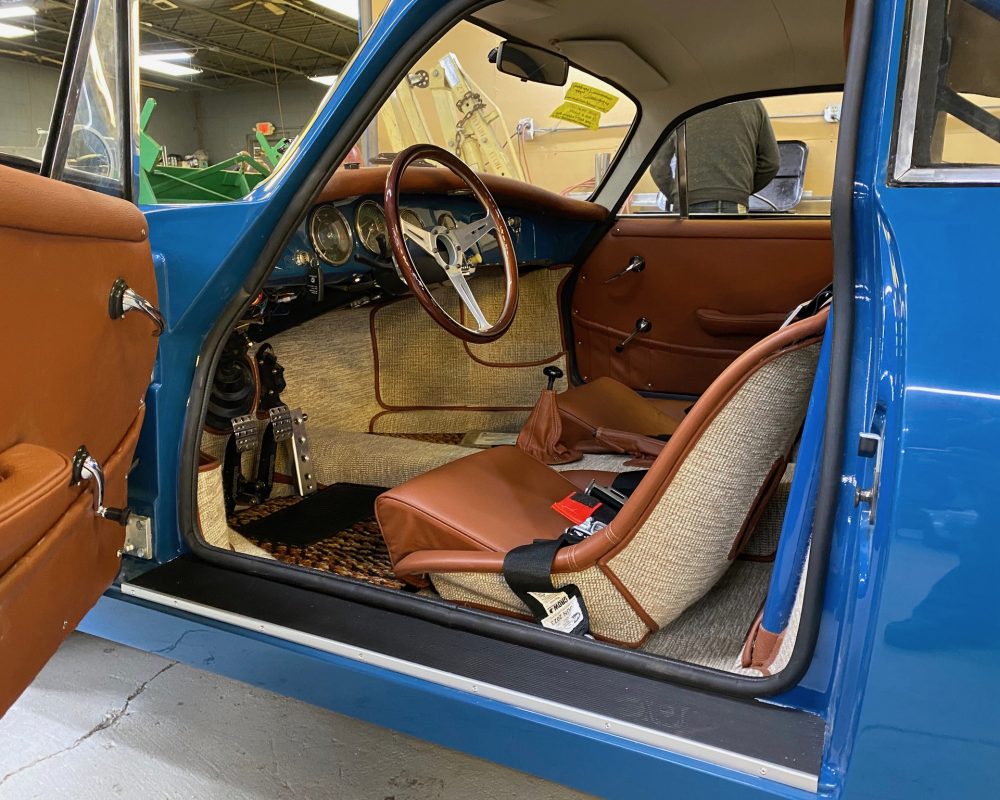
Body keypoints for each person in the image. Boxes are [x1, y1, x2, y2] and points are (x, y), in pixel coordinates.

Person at [650, 99, 780, 214]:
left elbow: (658, 167)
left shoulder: (680, 103)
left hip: (686, 206)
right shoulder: (752, 102)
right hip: (734, 205)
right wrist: (738, 191)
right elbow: (771, 163)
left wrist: (678, 196)